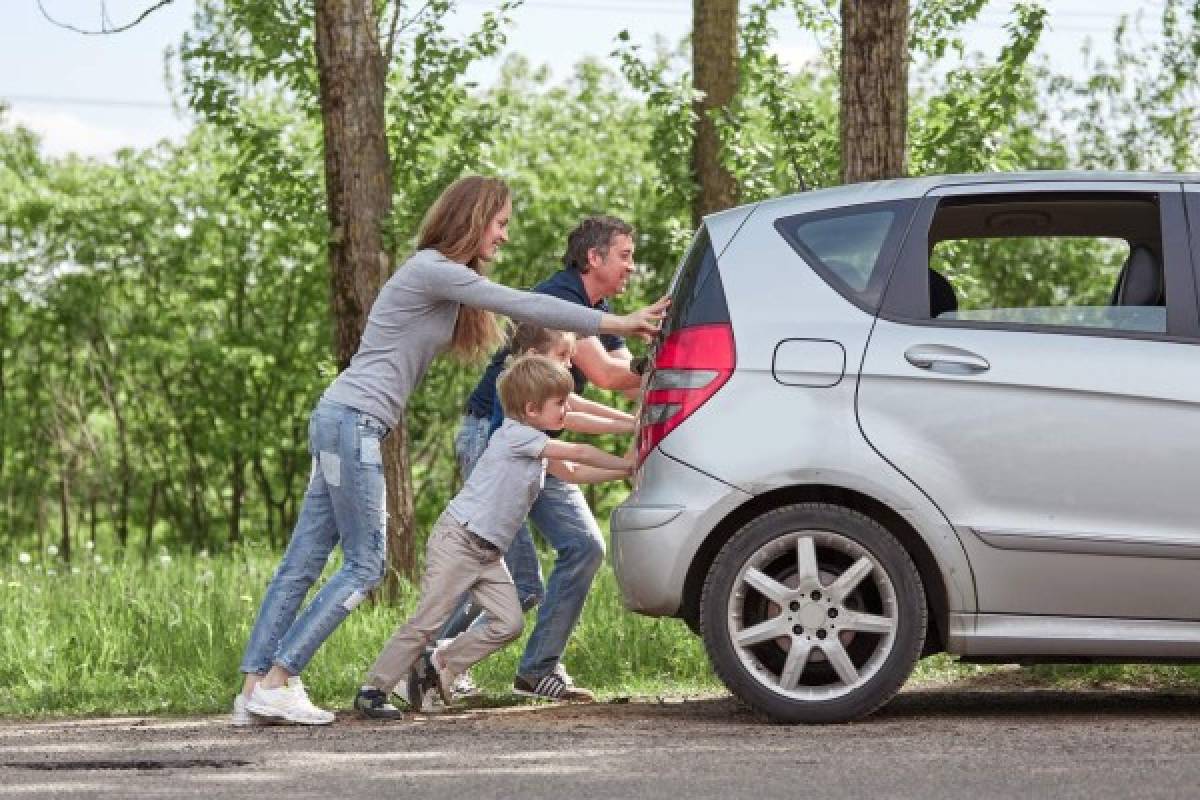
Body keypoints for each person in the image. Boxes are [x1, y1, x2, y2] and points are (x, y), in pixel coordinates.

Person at [231, 177, 668, 727]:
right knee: (365, 566)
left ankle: (254, 689)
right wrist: (616, 323)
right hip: (354, 422)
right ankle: (279, 678)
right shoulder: (434, 269)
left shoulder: (440, 279)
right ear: (474, 217)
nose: (504, 235)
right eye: (501, 222)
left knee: (304, 562)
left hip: (342, 417)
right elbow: (523, 302)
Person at [354, 354, 634, 719]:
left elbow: (578, 470)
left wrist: (624, 471)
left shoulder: (536, 443)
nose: (568, 409)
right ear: (532, 409)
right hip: (460, 541)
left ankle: (439, 663)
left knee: (509, 623)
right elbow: (579, 450)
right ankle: (373, 689)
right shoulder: (517, 436)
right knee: (427, 621)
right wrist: (628, 463)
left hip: (487, 554)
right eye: (560, 404)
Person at [449, 215, 645, 703]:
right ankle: (434, 653)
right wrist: (666, 358)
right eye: (624, 256)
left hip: (540, 438)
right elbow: (608, 375)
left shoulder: (599, 306)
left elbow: (620, 368)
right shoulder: (561, 301)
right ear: (593, 258)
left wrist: (634, 412)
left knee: (582, 546)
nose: (631, 268)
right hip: (496, 440)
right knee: (511, 579)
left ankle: (537, 669)